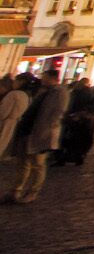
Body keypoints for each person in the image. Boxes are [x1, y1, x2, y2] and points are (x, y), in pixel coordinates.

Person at [7, 71, 70, 205]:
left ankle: (32, 192)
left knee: (38, 164)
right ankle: (16, 191)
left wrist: (49, 128)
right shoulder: (43, 91)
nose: (43, 79)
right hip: (29, 131)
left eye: (45, 77)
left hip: (42, 133)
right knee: (23, 163)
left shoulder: (60, 92)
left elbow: (58, 112)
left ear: (52, 78)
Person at [0, 75, 28, 159]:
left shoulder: (13, 94)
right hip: (13, 122)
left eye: (16, 81)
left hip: (5, 122)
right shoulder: (25, 95)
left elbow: (3, 112)